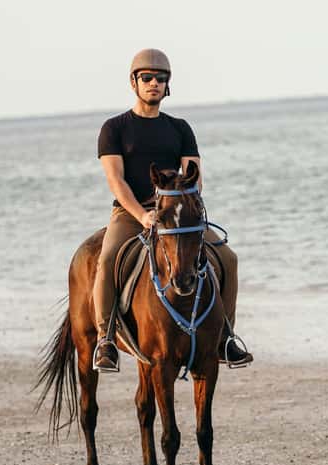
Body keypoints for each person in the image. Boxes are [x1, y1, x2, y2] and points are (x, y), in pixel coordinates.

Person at [92, 48, 252, 372]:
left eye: (161, 78)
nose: (154, 83)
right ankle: (105, 339)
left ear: (167, 85)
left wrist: (183, 207)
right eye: (147, 77)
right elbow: (116, 180)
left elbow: (194, 176)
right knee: (106, 260)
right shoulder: (114, 128)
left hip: (176, 215)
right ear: (134, 82)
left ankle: (225, 338)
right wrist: (142, 215)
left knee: (229, 258)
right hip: (130, 213)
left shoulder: (179, 128)